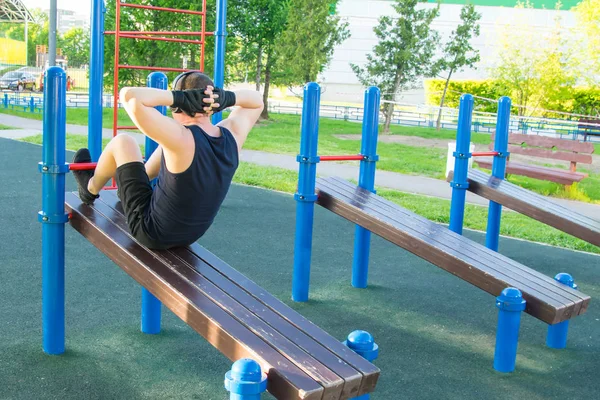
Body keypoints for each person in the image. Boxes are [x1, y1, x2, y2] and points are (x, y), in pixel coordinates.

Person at [71, 71, 263, 249]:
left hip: (151, 232)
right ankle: (137, 181)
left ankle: (89, 189)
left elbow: (129, 96)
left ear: (179, 105)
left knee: (123, 141)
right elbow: (256, 101)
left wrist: (177, 97)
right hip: (191, 234)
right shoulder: (233, 134)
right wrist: (225, 97)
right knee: (167, 144)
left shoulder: (181, 138)